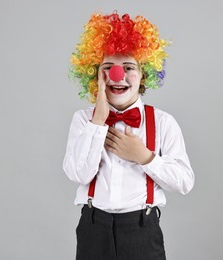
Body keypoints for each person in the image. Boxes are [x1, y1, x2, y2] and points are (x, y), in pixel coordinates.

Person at [63, 12, 195, 260]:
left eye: (128, 68)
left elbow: (185, 182)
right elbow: (77, 174)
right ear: (95, 75)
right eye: (108, 68)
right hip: (94, 229)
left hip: (142, 231)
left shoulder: (164, 123)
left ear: (144, 75)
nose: (118, 75)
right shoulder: (83, 120)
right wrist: (99, 121)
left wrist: (145, 157)